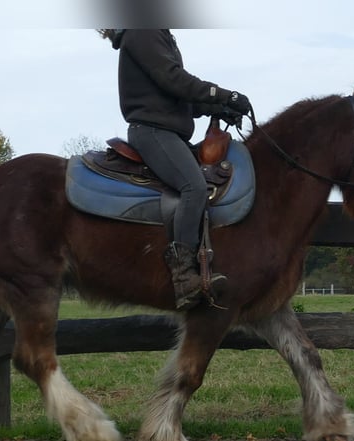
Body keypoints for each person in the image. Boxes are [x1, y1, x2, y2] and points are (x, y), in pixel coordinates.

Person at [98, 29, 252, 310]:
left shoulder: (157, 33)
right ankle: (183, 277)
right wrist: (224, 95)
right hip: (154, 132)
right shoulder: (142, 32)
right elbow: (173, 80)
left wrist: (216, 107)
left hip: (170, 132)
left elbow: (181, 98)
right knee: (194, 186)